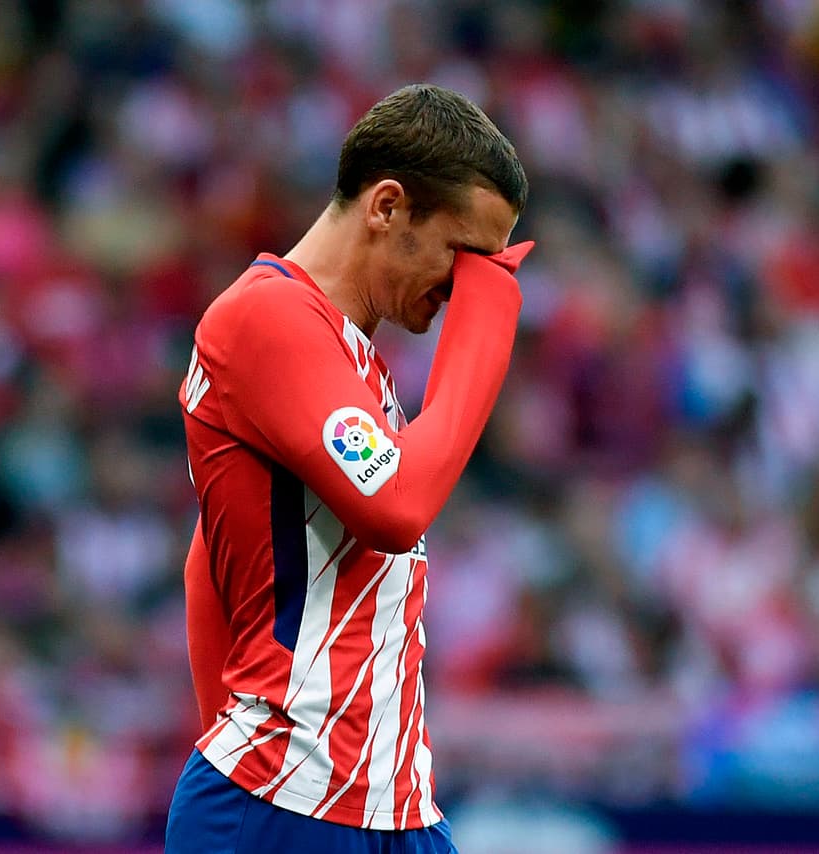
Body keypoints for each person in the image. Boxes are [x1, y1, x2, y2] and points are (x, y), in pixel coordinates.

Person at [165, 83, 531, 854]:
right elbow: (396, 509)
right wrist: (485, 332)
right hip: (281, 808)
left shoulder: (346, 353)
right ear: (388, 206)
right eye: (469, 258)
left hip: (391, 811)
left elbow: (212, 562)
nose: (471, 287)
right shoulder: (266, 316)